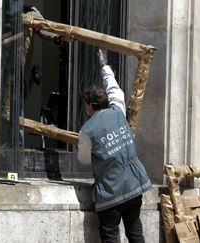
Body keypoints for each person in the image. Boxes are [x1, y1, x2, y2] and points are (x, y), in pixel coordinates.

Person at [78, 49, 152, 243]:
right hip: (135, 185)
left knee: (110, 237)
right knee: (135, 233)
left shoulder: (87, 130)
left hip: (110, 192)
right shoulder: (118, 110)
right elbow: (114, 89)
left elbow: (83, 159)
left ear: (89, 106)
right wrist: (104, 67)